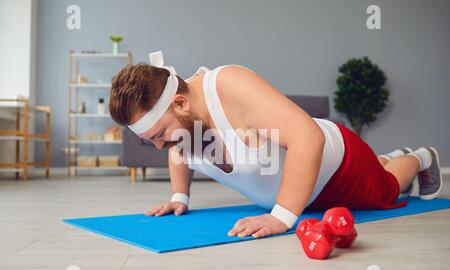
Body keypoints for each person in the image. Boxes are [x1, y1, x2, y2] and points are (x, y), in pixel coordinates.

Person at [108, 54, 442, 239]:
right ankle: (386, 159)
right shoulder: (180, 123)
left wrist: (281, 217)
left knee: (387, 189)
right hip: (301, 193)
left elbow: (308, 137)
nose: (158, 145)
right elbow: (179, 146)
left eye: (158, 133)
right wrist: (179, 197)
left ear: (180, 102)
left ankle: (419, 157)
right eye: (149, 139)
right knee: (380, 170)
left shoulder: (231, 85)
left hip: (338, 168)